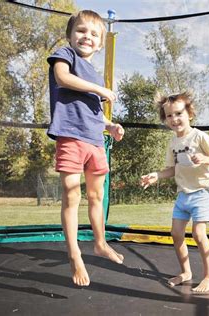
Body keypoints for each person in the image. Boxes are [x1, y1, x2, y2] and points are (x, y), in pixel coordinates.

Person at [47, 10, 125, 286]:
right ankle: (74, 255)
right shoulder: (65, 55)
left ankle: (100, 243)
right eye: (81, 31)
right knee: (71, 195)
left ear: (101, 43)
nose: (87, 37)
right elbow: (62, 79)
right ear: (70, 35)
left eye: (94, 34)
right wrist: (103, 91)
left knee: (96, 196)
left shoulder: (94, 73)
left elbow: (92, 112)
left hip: (94, 140)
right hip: (70, 136)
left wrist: (109, 126)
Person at [140, 92, 209, 293]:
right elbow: (172, 169)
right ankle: (186, 272)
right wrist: (157, 176)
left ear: (190, 114)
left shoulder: (199, 136)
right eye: (169, 116)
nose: (174, 119)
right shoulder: (173, 143)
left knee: (198, 234)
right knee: (176, 234)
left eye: (178, 113)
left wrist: (205, 158)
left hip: (201, 193)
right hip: (183, 195)